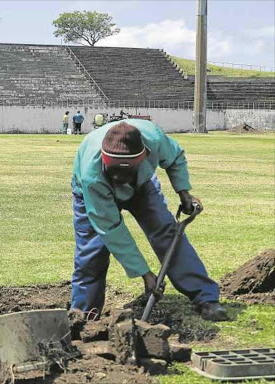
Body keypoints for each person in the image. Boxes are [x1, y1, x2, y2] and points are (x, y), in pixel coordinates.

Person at [71, 119, 228, 322]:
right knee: (92, 252)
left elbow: (175, 158)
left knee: (168, 233)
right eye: (115, 173)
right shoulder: (92, 176)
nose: (120, 180)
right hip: (95, 191)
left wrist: (184, 193)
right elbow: (110, 229)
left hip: (142, 186)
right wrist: (145, 273)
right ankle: (84, 314)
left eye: (126, 173)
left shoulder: (154, 139)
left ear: (143, 156)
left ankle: (206, 298)